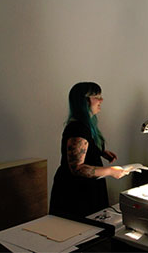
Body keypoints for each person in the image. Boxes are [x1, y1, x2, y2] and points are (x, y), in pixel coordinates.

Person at [49, 82, 131, 218]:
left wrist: (100, 152)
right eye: (96, 97)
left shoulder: (88, 125)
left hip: (88, 188)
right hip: (75, 193)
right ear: (83, 101)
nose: (101, 100)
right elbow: (77, 168)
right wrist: (110, 171)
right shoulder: (77, 128)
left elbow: (85, 146)